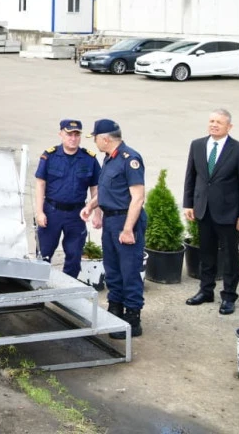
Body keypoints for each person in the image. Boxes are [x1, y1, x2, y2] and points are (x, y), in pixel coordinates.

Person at [183, 108, 239, 315]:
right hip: (203, 209)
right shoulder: (197, 145)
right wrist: (189, 204)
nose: (214, 125)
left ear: (229, 127)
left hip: (229, 213)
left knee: (230, 256)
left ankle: (229, 296)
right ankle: (206, 291)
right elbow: (191, 176)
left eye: (219, 122)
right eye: (211, 121)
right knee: (206, 253)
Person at [81, 119, 146, 339]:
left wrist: (128, 230)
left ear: (105, 139)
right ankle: (115, 309)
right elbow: (107, 190)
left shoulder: (130, 159)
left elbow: (138, 198)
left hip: (126, 220)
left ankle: (133, 318)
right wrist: (91, 206)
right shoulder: (109, 158)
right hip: (111, 221)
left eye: (96, 138)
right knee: (112, 269)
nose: (95, 142)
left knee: (129, 270)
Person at [34, 119, 100, 278]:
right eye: (69, 134)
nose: (73, 138)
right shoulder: (49, 156)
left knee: (74, 255)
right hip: (52, 212)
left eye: (77, 135)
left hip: (76, 214)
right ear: (61, 134)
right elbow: (40, 184)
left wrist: (97, 214)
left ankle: (69, 285)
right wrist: (39, 212)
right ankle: (38, 285)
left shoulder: (89, 159)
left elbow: (96, 188)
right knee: (44, 254)